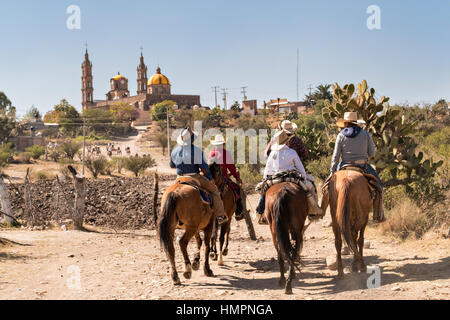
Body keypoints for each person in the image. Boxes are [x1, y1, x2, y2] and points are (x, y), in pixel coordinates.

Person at [256, 130, 323, 222]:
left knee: (263, 191)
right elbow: (300, 168)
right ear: (287, 141)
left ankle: (261, 212)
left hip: (275, 177)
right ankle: (313, 210)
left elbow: (268, 169)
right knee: (310, 188)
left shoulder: (273, 153)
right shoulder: (292, 152)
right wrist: (303, 177)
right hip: (292, 176)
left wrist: (265, 179)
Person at [330, 112, 384, 221]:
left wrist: (332, 171)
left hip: (344, 164)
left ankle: (325, 212)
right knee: (379, 186)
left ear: (345, 123)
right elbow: (372, 153)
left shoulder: (341, 135)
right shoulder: (366, 134)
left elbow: (335, 156)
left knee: (328, 187)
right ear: (355, 122)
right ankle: (378, 215)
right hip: (362, 165)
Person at [170, 128, 227, 224]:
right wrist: (211, 179)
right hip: (194, 176)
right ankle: (220, 215)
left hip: (179, 178)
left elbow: (171, 165)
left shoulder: (174, 151)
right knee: (214, 191)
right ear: (192, 139)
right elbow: (204, 167)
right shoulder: (196, 150)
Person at [208, 134, 246, 220]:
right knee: (237, 189)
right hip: (223, 177)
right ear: (223, 144)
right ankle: (239, 213)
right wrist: (237, 178)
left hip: (211, 179)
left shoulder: (211, 153)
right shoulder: (225, 153)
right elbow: (232, 168)